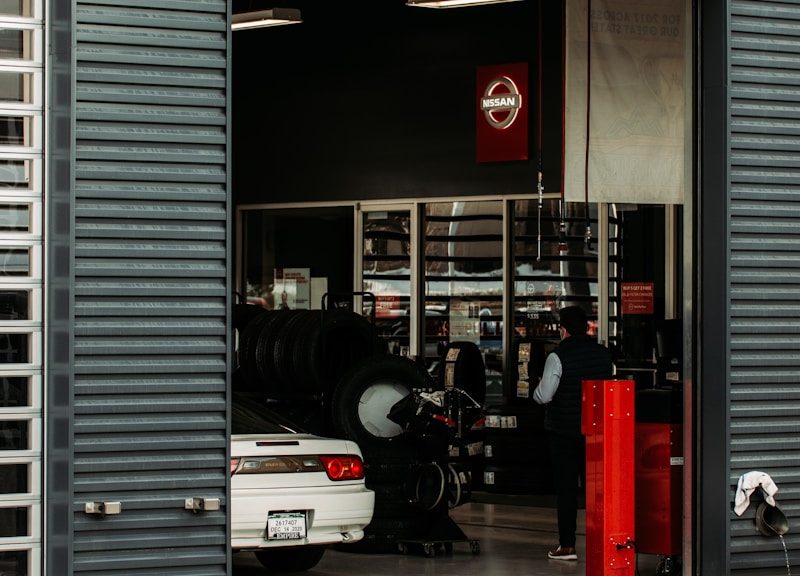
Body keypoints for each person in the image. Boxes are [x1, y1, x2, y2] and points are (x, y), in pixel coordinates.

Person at [533, 305, 613, 561]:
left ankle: (567, 546)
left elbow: (544, 395)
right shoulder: (604, 355)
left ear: (563, 329)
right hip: (597, 434)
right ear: (587, 327)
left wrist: (532, 392)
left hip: (564, 434)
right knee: (598, 491)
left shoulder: (557, 357)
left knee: (567, 491)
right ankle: (604, 545)